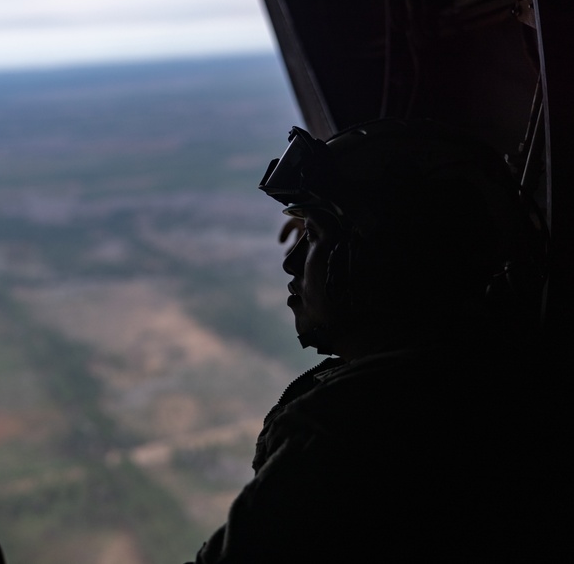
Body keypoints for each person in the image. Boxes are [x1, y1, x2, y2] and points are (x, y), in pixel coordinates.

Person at [190, 119, 555, 562]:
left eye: (316, 237)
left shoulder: (347, 430)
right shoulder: (494, 363)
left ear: (383, 262)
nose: (291, 264)